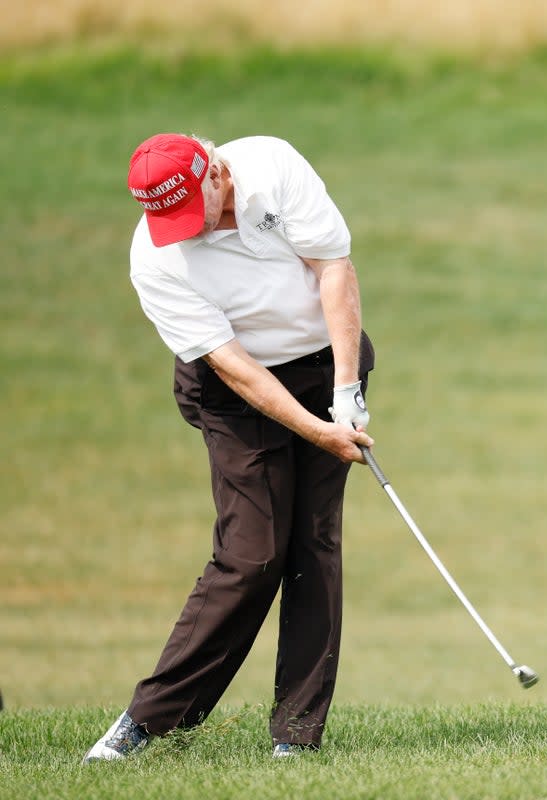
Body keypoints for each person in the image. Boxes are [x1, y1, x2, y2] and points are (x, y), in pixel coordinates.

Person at [83, 133, 375, 762]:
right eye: (171, 220)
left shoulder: (273, 166)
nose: (190, 231)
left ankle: (297, 736)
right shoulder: (154, 259)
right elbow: (233, 365)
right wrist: (317, 430)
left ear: (215, 170)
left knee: (313, 543)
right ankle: (148, 721)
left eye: (198, 210)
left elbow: (334, 268)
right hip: (236, 391)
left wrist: (346, 392)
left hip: (323, 361)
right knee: (252, 554)